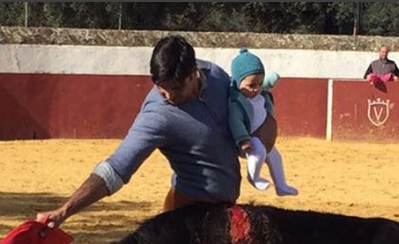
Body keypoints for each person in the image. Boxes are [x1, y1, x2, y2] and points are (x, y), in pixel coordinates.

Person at [37, 35, 251, 229]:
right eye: (161, 88)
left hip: (226, 211)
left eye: (175, 88)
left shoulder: (216, 77)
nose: (168, 96)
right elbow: (116, 169)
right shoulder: (158, 115)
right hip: (186, 218)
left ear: (194, 74)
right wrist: (65, 210)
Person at [228, 48, 298, 197]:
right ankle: (254, 178)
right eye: (251, 86)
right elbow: (236, 122)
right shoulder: (236, 103)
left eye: (259, 84)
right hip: (250, 140)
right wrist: (243, 139)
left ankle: (281, 185)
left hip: (264, 138)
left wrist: (272, 79)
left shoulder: (258, 92)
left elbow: (264, 83)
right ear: (238, 82)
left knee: (275, 156)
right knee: (259, 152)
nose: (256, 89)